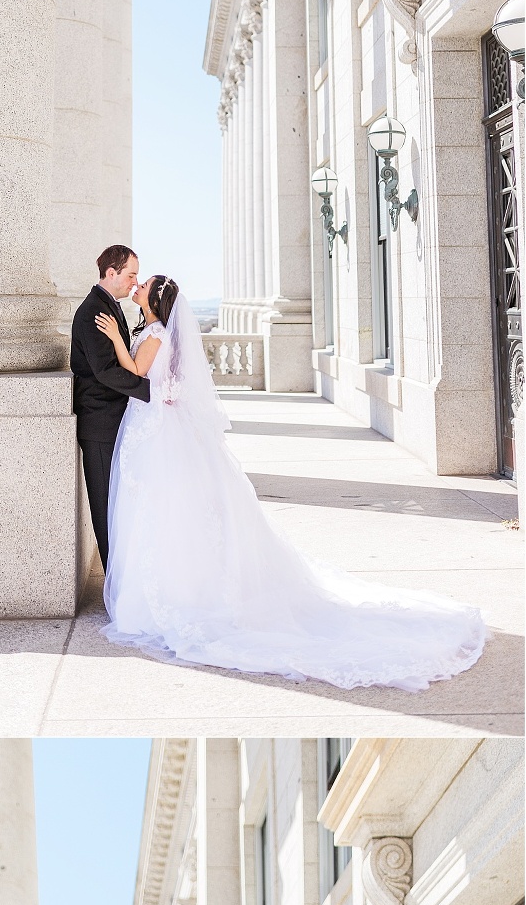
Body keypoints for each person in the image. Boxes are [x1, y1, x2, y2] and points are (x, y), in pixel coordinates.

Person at [96, 279, 486, 692]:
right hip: (155, 425)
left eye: (146, 285)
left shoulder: (155, 334)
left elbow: (138, 371)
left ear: (156, 303)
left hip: (156, 430)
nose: (137, 286)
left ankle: (173, 592)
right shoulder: (153, 330)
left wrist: (115, 340)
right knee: (164, 512)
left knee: (163, 509)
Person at [69, 246, 151, 571]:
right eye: (130, 274)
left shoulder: (111, 306)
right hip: (100, 426)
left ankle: (123, 581)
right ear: (111, 273)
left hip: (115, 422)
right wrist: (150, 392)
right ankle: (114, 588)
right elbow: (105, 370)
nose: (135, 281)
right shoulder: (93, 312)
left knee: (119, 509)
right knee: (105, 512)